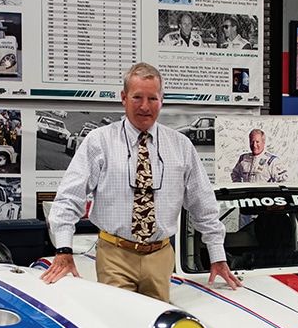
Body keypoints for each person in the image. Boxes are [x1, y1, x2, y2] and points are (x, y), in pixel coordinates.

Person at [41, 62, 241, 302]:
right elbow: (69, 198)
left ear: (162, 100)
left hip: (160, 257)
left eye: (152, 98)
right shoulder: (99, 142)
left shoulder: (181, 146)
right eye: (137, 97)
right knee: (121, 325)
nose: (145, 106)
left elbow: (204, 204)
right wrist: (63, 249)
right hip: (115, 255)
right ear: (124, 98)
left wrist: (217, 255)